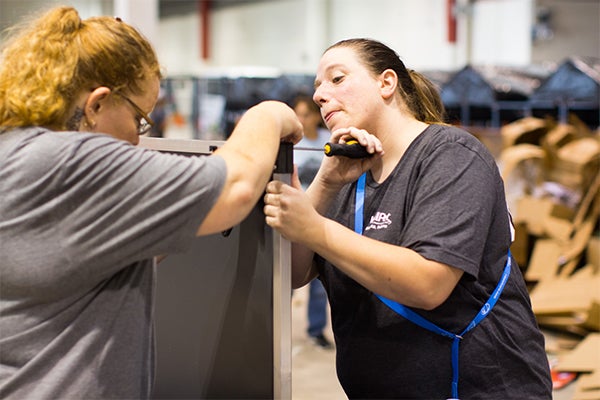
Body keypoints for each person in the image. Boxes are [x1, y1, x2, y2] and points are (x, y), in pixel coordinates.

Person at [0, 6, 302, 399]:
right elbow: (236, 187)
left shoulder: (16, 152)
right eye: (139, 118)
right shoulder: (72, 163)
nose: (138, 138)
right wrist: (270, 114)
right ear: (97, 105)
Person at [264, 38, 552, 399]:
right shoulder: (347, 175)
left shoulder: (451, 155)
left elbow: (427, 284)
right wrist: (323, 184)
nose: (320, 95)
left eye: (336, 79)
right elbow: (294, 274)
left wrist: (316, 228)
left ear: (387, 82)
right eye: (317, 87)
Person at [292, 94, 333, 349]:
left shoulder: (328, 141)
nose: (300, 119)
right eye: (297, 114)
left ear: (316, 116)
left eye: (305, 114)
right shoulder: (289, 145)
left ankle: (316, 329)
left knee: (319, 281)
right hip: (293, 217)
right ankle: (272, 326)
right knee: (284, 278)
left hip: (321, 217)